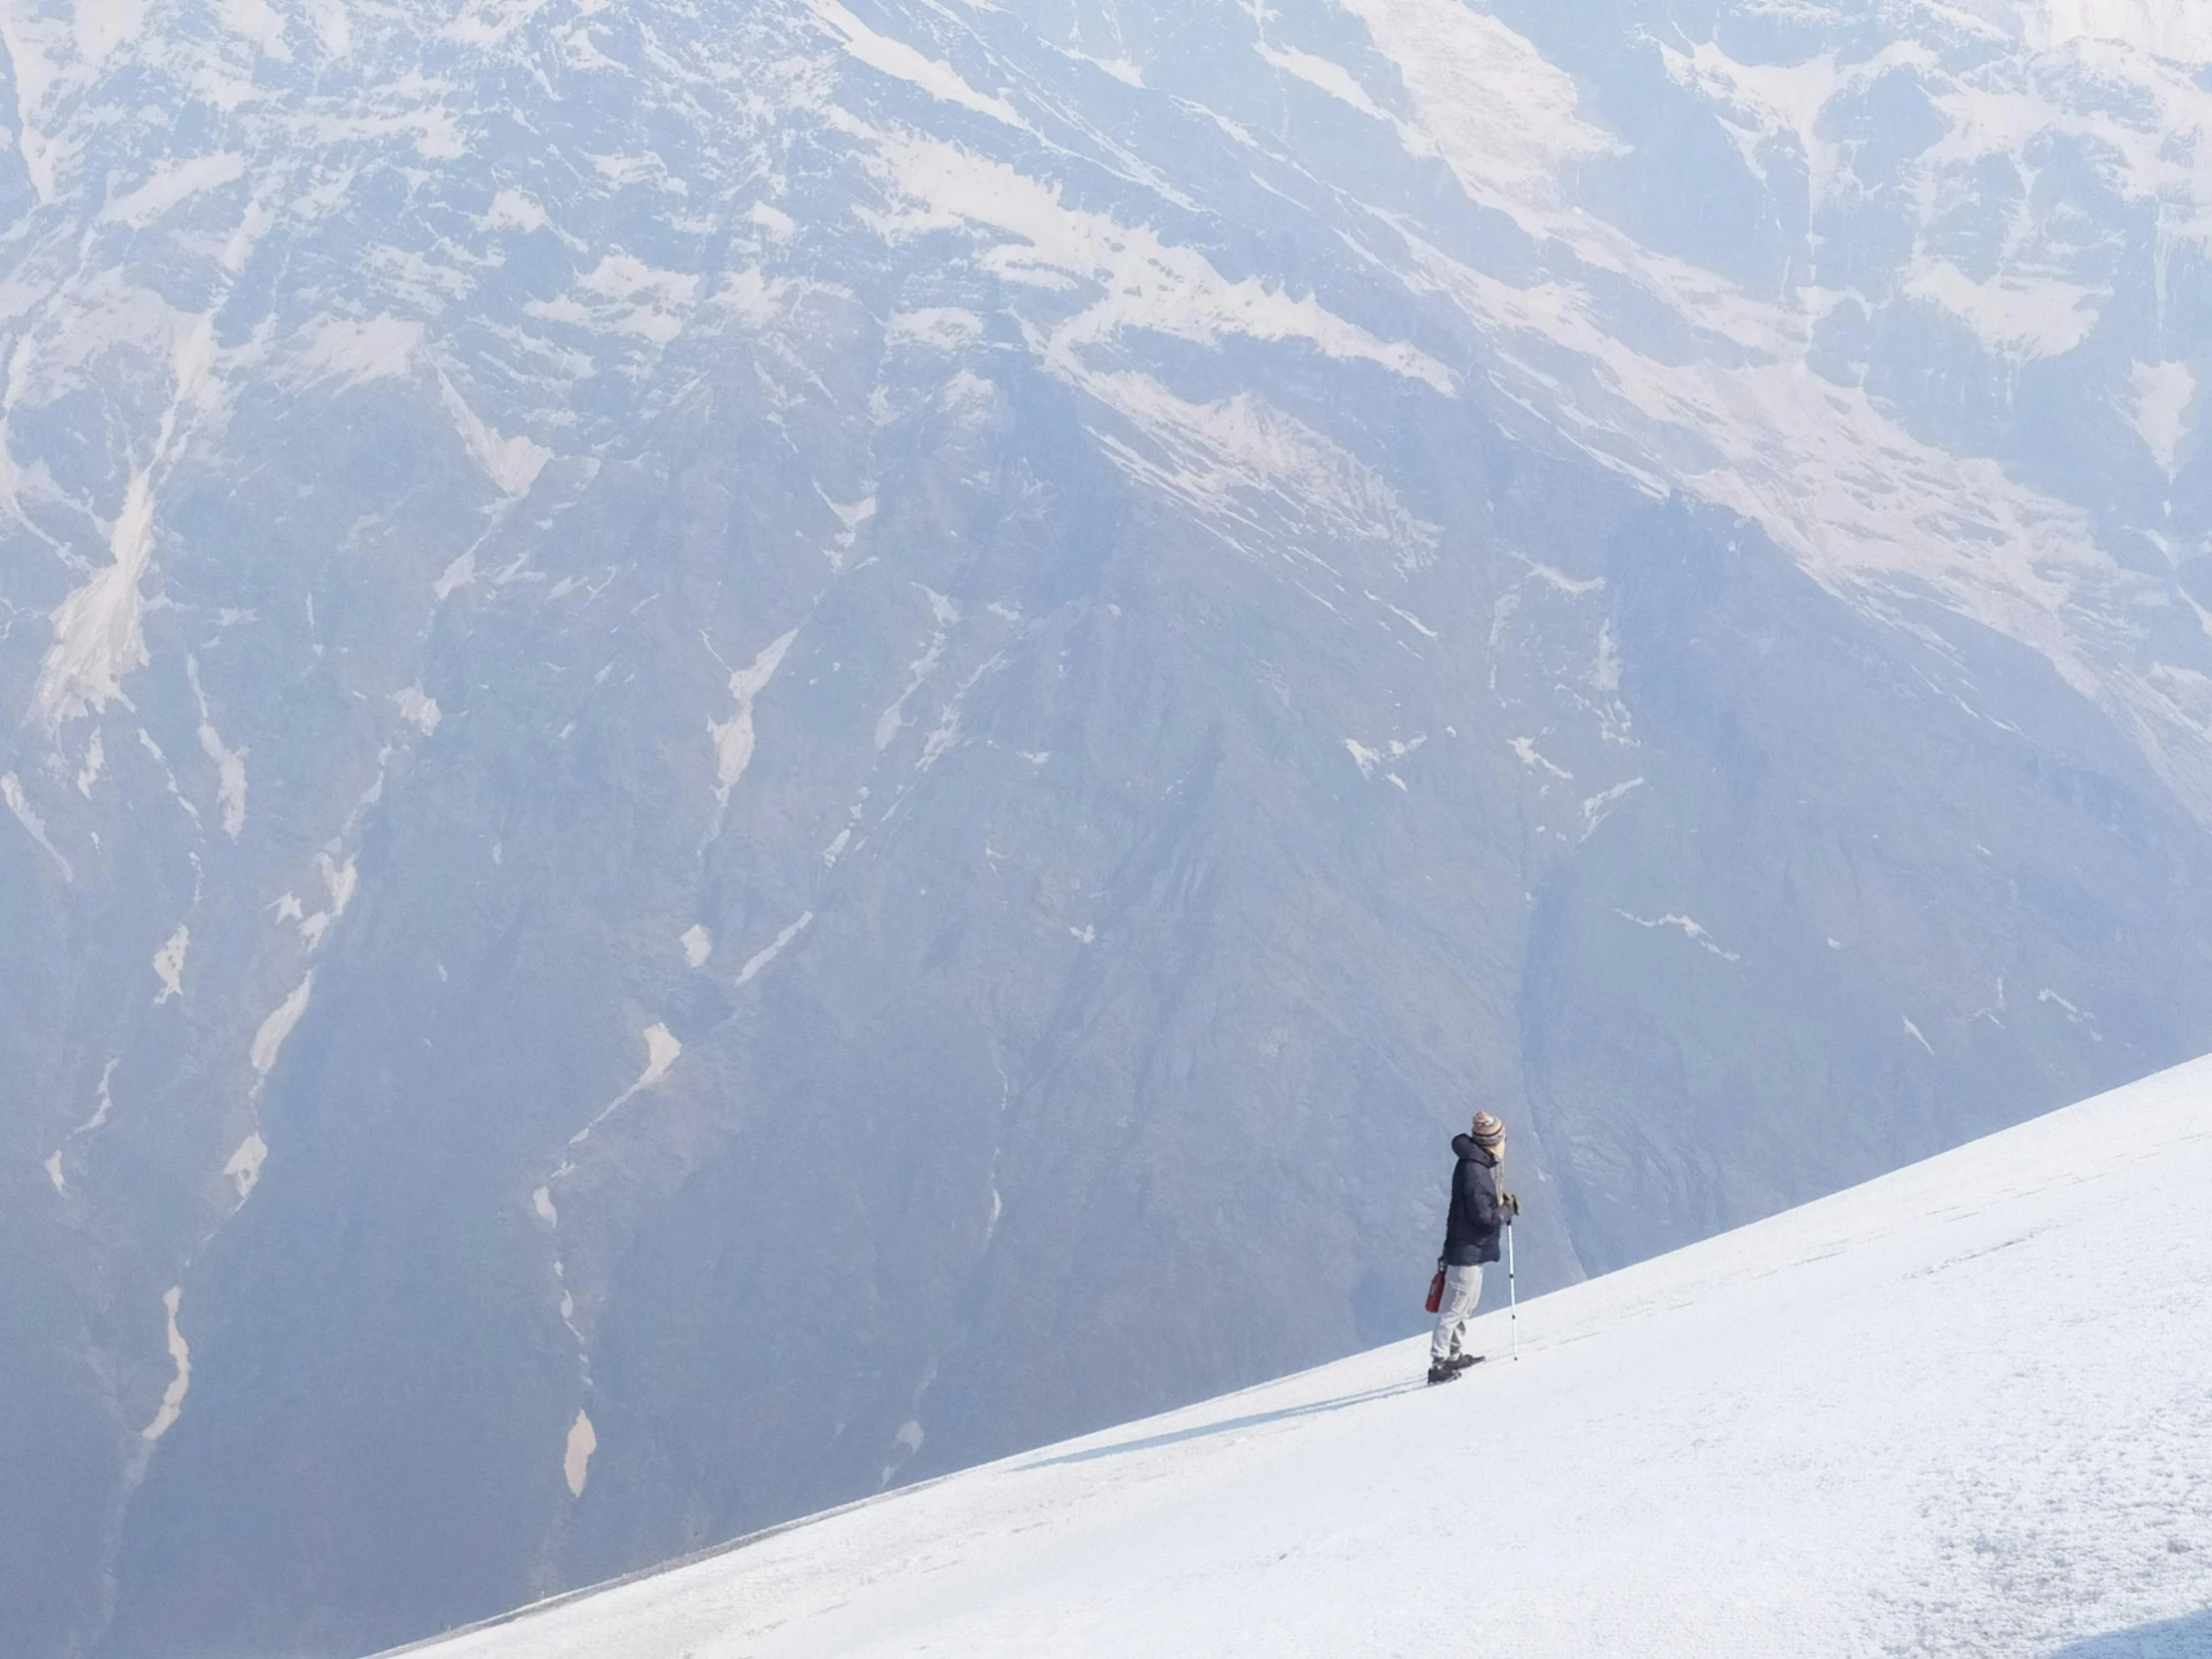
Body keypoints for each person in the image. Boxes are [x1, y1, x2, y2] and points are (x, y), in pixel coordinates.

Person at [1428, 1112, 1517, 1384]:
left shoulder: (1474, 1166)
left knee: (1465, 1305)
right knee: (1455, 1308)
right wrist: (1505, 1210)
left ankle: (1454, 1355)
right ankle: (1439, 1363)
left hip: (1468, 1248)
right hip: (1466, 1250)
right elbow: (1483, 1218)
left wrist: (1500, 1205)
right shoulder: (1476, 1172)